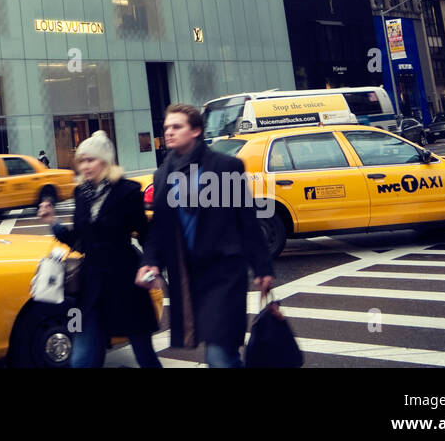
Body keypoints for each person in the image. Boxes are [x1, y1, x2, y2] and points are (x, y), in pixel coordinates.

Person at [139, 104, 273, 368]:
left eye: (177, 127)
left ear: (196, 130)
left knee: (219, 354)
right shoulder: (163, 174)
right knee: (222, 352)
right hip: (187, 278)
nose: (169, 132)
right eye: (166, 127)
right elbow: (159, 228)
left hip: (224, 274)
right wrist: (150, 261)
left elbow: (246, 220)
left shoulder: (226, 167)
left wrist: (262, 268)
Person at [36, 131, 160, 368]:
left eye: (90, 159)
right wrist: (53, 222)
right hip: (90, 289)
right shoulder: (80, 194)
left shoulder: (128, 191)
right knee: (82, 358)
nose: (84, 166)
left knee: (144, 353)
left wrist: (151, 265)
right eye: (81, 160)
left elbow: (146, 234)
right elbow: (79, 241)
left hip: (125, 284)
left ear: (104, 161)